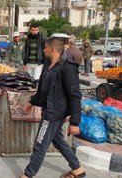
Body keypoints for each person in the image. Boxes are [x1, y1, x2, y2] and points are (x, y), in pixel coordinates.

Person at [20, 37, 85, 178]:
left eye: (45, 47)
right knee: (57, 140)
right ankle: (78, 169)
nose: (43, 50)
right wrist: (31, 103)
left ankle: (28, 174)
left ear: (53, 49)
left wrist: (75, 122)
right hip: (49, 108)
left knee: (40, 143)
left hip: (54, 112)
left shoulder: (68, 67)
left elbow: (75, 95)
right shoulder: (48, 64)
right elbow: (43, 89)